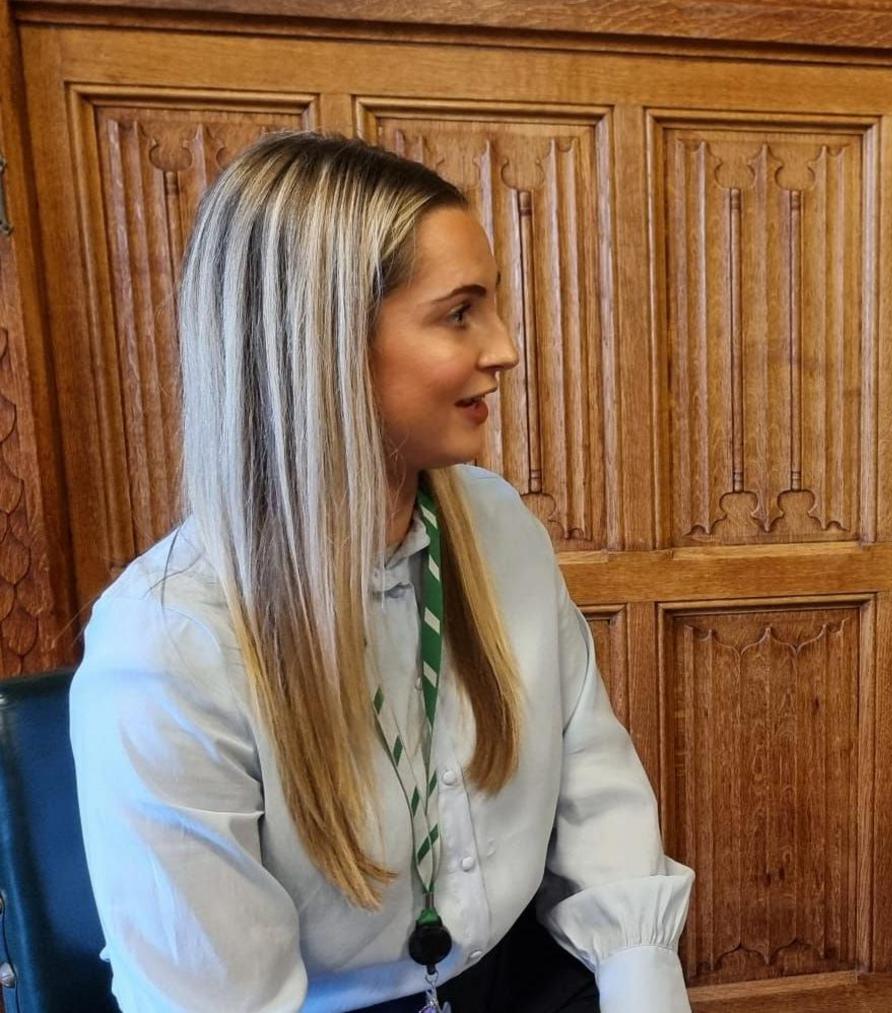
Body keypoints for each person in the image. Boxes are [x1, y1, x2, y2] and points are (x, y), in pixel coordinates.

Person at [70, 131, 692, 1012]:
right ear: (323, 345)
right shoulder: (168, 645)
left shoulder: (500, 526)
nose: (506, 348)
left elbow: (595, 784)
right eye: (458, 312)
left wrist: (643, 984)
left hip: (530, 979)